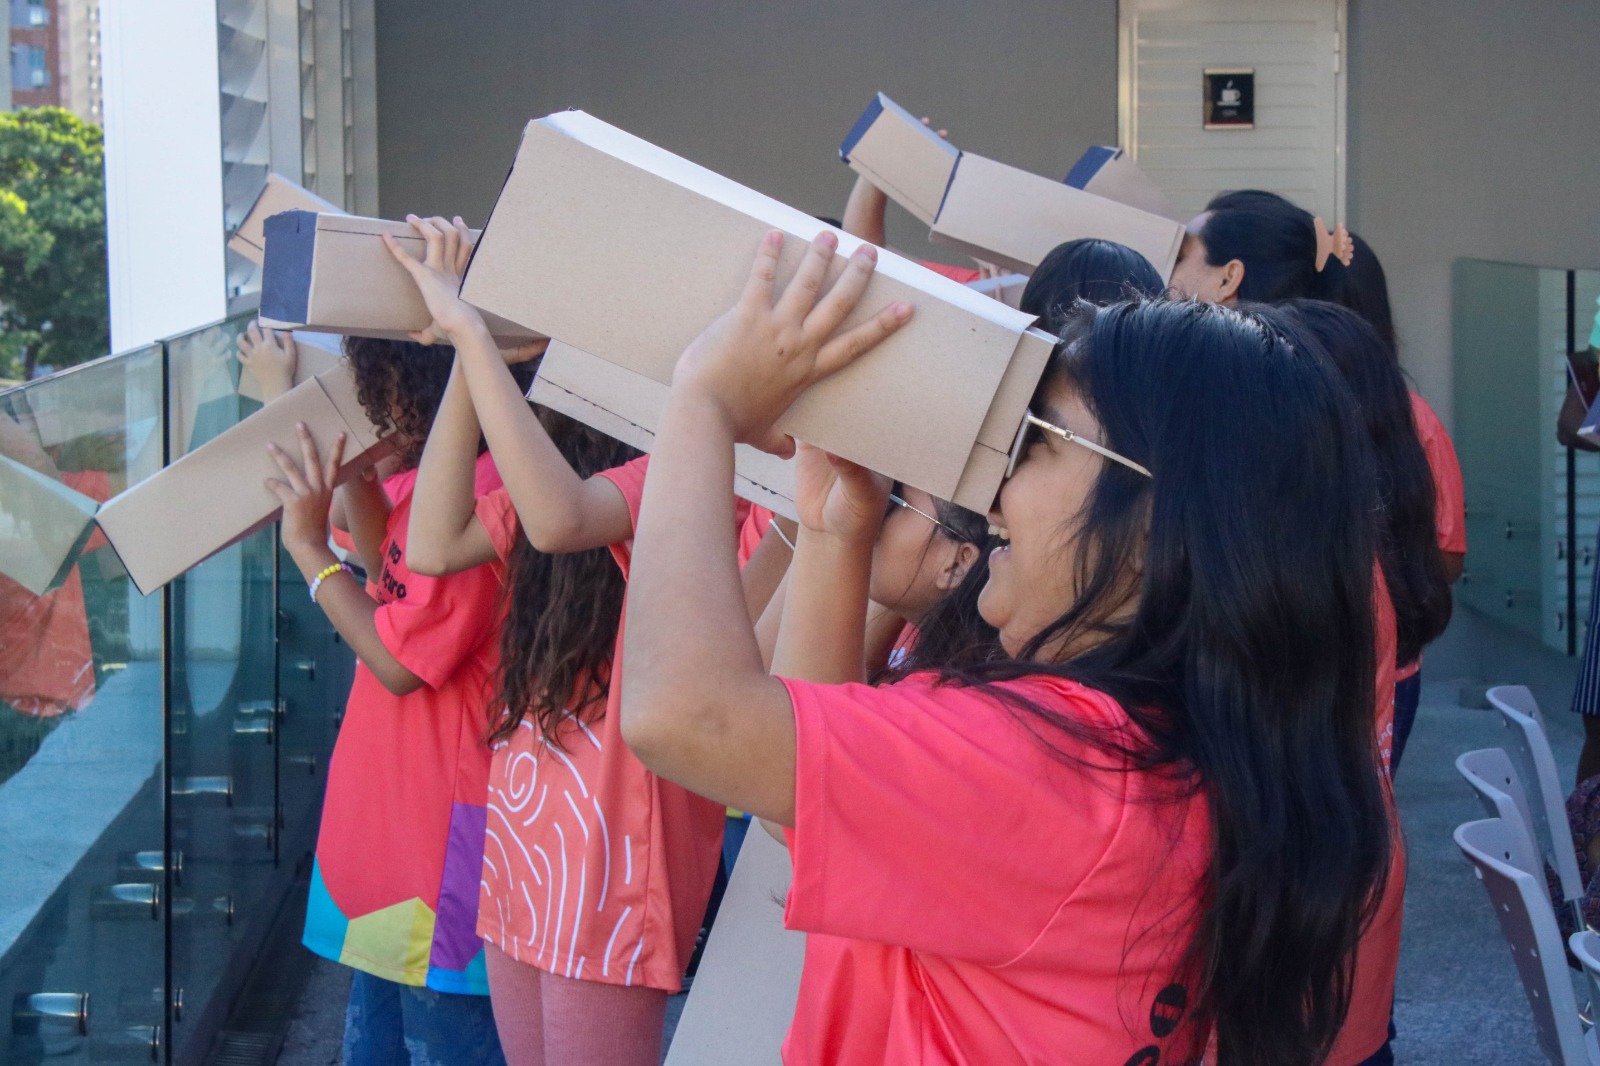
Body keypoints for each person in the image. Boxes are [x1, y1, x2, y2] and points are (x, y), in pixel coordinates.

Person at [617, 230, 1392, 1065]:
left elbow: (683, 713)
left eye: (1034, 446)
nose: (990, 493)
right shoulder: (1163, 751)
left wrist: (702, 403)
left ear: (1153, 527)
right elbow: (791, 805)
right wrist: (836, 533)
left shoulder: (1056, 766)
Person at [386, 216, 782, 1065]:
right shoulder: (568, 458)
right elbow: (432, 544)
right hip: (527, 845)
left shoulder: (699, 470)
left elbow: (562, 517)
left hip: (613, 864)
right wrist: (471, 353)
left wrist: (468, 331)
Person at [263, 334, 520, 1066]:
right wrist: (357, 475)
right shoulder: (464, 468)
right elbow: (389, 573)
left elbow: (402, 658)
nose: (374, 402)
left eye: (376, 386)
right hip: (402, 821)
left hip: (441, 833)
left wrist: (312, 555)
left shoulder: (485, 481)